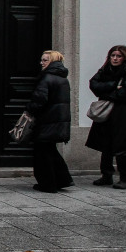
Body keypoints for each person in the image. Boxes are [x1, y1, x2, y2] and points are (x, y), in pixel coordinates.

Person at [86, 45, 126, 189]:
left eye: (118, 56)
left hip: (124, 113)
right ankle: (106, 175)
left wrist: (107, 93)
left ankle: (125, 178)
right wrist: (113, 86)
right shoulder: (105, 70)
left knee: (123, 145)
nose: (115, 58)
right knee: (106, 144)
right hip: (107, 112)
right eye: (113, 55)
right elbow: (94, 84)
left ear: (125, 57)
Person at [27, 50, 73, 193]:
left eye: (45, 60)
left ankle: (48, 184)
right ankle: (63, 179)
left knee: (43, 154)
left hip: (46, 122)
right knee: (50, 151)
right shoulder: (62, 78)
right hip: (57, 121)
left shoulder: (46, 78)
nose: (41, 63)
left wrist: (29, 109)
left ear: (52, 62)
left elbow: (39, 100)